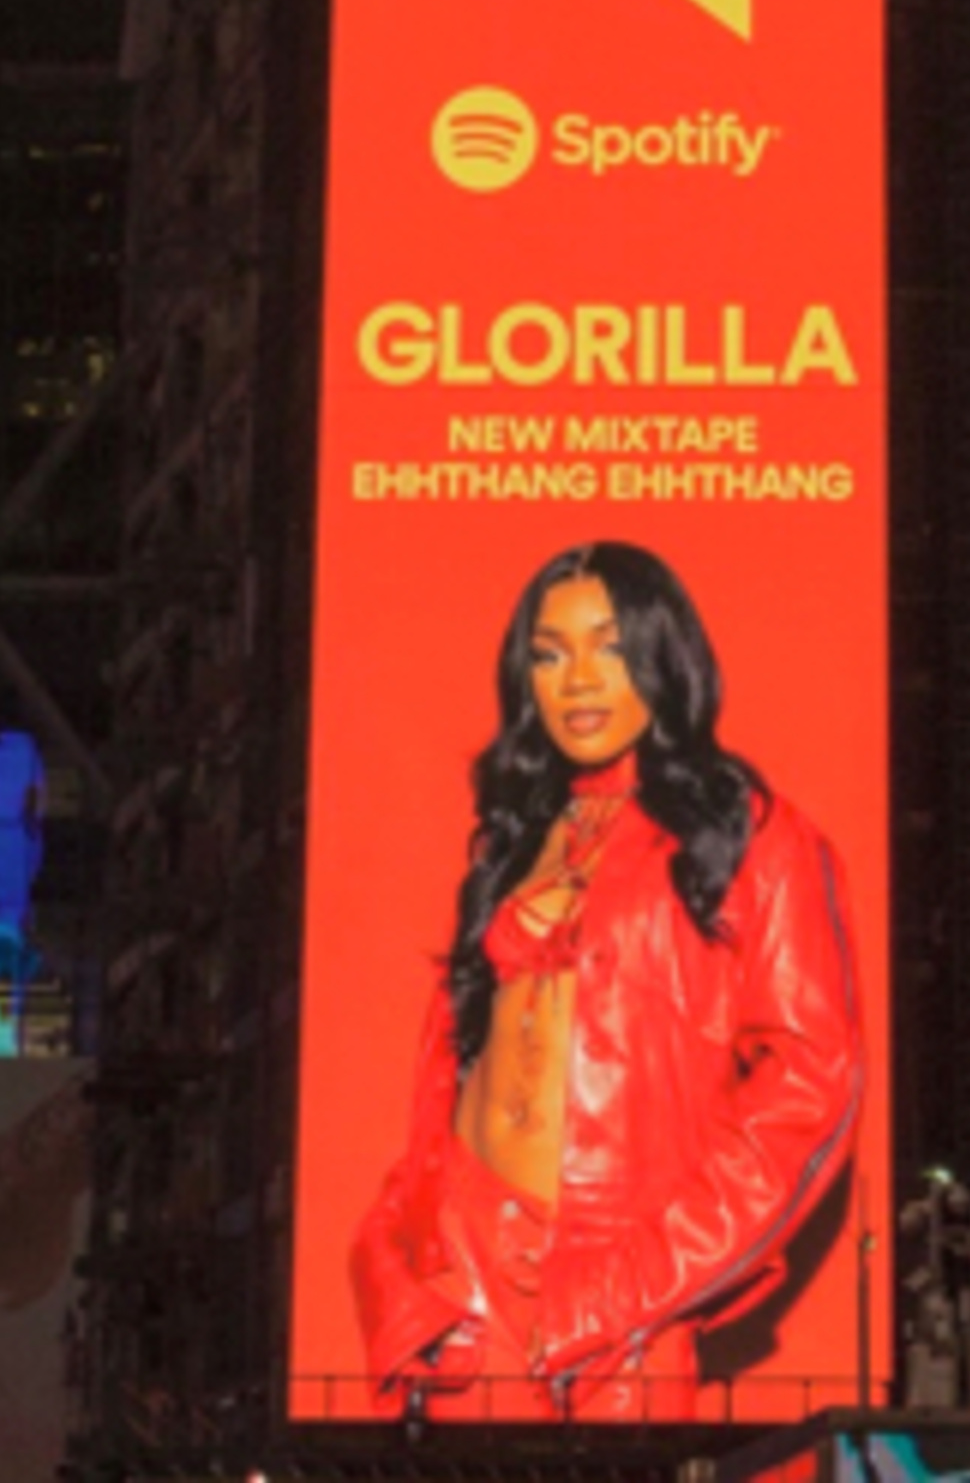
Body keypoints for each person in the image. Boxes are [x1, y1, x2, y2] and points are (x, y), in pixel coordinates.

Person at [351, 540, 862, 1420]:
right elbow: (441, 1095)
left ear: (666, 656)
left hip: (611, 1295)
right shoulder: (513, 840)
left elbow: (811, 1087)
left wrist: (627, 1288)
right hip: (459, 1294)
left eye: (612, 647)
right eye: (549, 655)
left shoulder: (755, 838)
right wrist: (395, 1276)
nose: (579, 680)